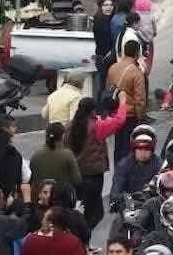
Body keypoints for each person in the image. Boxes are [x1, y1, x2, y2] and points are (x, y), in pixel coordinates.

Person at [67, 96, 130, 235]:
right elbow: (119, 121)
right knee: (95, 214)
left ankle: (81, 239)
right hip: (93, 175)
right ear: (93, 111)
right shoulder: (97, 126)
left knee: (84, 209)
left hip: (75, 174)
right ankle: (81, 238)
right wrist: (123, 102)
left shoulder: (70, 126)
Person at [107, 39, 149, 163]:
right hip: (130, 116)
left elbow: (108, 89)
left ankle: (118, 169)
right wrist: (141, 117)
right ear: (137, 53)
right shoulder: (136, 72)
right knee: (129, 147)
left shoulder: (113, 68)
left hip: (115, 114)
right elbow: (140, 99)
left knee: (118, 146)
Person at [29, 122, 82, 201]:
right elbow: (77, 181)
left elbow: (31, 180)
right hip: (61, 200)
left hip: (41, 199)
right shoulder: (68, 155)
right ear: (63, 136)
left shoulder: (35, 156)